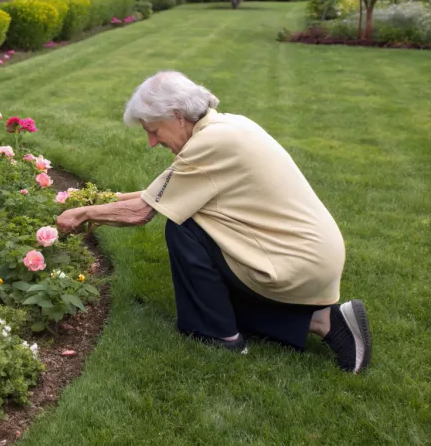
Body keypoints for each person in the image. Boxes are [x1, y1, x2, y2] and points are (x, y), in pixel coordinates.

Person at [55, 71, 372, 373]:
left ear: (177, 116)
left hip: (295, 260)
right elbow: (159, 194)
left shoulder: (210, 144)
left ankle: (219, 334)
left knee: (184, 227)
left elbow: (143, 212)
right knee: (205, 265)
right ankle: (322, 321)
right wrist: (101, 200)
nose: (152, 142)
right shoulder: (226, 127)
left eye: (153, 130)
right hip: (309, 255)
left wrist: (81, 214)